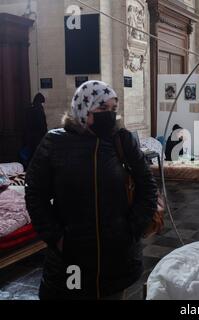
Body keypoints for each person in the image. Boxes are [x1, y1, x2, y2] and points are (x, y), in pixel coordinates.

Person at [25, 81, 158, 300]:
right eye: (103, 108)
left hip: (117, 256)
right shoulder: (54, 143)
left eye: (113, 109)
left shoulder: (122, 141)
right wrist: (55, 237)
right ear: (83, 109)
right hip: (71, 257)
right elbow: (35, 193)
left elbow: (147, 185)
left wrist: (133, 228)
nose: (110, 115)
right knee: (73, 295)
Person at [25, 93, 48, 158]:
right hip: (38, 135)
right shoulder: (39, 109)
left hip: (31, 136)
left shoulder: (29, 109)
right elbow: (42, 123)